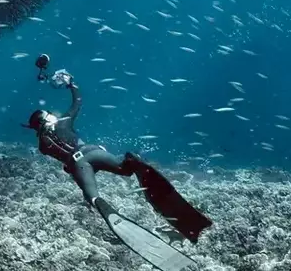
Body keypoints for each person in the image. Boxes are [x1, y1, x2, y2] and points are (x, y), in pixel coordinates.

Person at [23, 54, 212, 271]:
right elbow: (78, 102)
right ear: (48, 118)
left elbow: (60, 156)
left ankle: (99, 203)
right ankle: (131, 162)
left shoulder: (42, 145)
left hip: (80, 165)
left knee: (93, 196)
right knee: (124, 169)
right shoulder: (63, 122)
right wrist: (71, 84)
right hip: (94, 152)